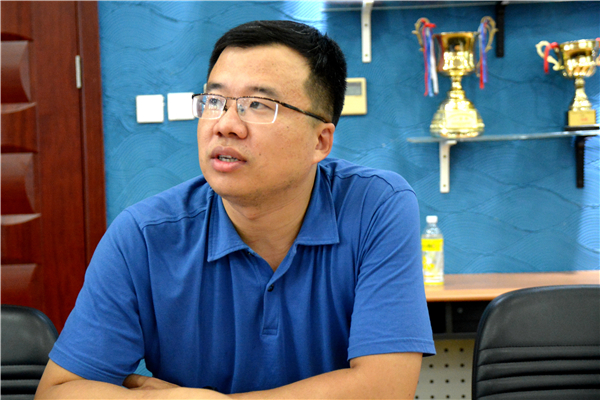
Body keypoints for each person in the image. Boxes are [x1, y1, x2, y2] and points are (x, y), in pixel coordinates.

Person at [35, 20, 435, 399]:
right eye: (214, 101)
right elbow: (60, 391)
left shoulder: (376, 206)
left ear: (320, 141)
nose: (225, 124)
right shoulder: (143, 236)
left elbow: (386, 388)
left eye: (258, 104)